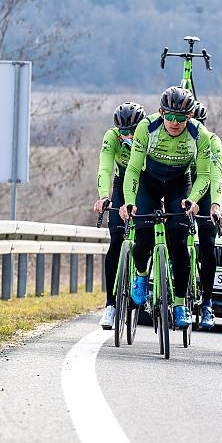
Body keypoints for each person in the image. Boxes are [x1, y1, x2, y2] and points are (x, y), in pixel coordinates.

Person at [119, 86, 220, 328]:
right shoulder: (147, 127)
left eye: (182, 118)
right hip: (149, 183)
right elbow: (133, 169)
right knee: (142, 234)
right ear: (162, 113)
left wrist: (194, 199)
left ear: (190, 117)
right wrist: (129, 201)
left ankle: (179, 303)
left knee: (179, 242)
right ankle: (141, 275)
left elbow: (205, 175)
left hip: (178, 184)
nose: (175, 123)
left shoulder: (200, 135)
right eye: (171, 116)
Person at [94, 102, 146, 329]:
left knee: (145, 236)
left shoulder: (148, 134)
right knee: (116, 241)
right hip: (121, 182)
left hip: (145, 183)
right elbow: (105, 168)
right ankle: (110, 305)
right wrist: (104, 196)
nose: (128, 135)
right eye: (123, 131)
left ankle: (142, 277)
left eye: (132, 130)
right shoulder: (112, 137)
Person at [189, 101, 222, 328]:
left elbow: (216, 175)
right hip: (184, 190)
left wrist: (215, 205)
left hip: (205, 195)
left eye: (199, 122)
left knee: (208, 247)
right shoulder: (179, 140)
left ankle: (208, 302)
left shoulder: (210, 141)